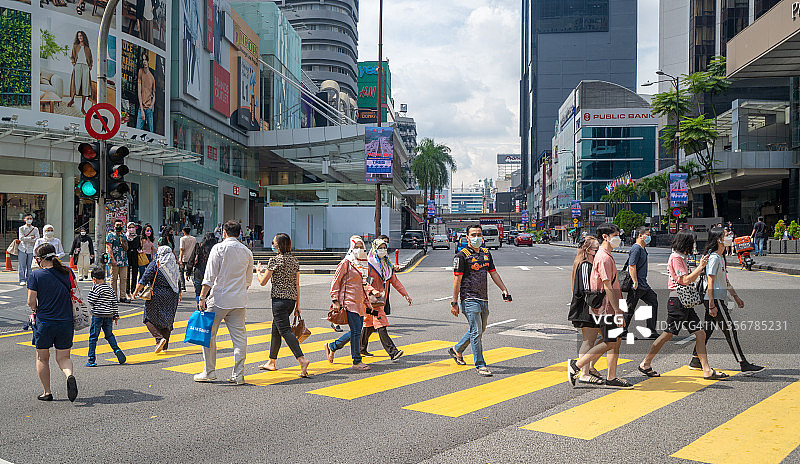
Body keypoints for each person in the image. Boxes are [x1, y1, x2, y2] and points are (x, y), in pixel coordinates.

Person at [636, 230, 729, 380]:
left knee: (700, 333)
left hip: (684, 302)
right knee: (668, 334)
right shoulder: (676, 258)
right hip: (678, 301)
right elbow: (685, 280)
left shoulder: (681, 257)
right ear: (685, 242)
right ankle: (645, 363)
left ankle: (707, 370)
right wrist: (700, 267)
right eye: (692, 241)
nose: (694, 244)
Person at [687, 229, 764, 374]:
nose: (729, 237)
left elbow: (725, 280)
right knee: (730, 330)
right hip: (714, 298)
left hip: (715, 298)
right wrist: (711, 304)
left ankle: (695, 359)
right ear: (719, 240)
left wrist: (735, 296)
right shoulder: (714, 258)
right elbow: (710, 281)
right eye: (725, 235)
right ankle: (743, 363)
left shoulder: (720, 257)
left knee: (707, 331)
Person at [568, 223, 632, 389]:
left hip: (611, 306)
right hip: (605, 308)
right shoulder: (603, 258)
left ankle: (611, 376)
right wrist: (618, 311)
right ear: (606, 236)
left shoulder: (606, 255)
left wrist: (620, 308)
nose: (619, 238)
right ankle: (578, 365)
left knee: (614, 340)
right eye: (616, 235)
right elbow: (607, 286)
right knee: (610, 341)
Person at [448, 224, 511, 377]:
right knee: (476, 332)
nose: (477, 237)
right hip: (469, 299)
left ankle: (457, 349)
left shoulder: (486, 253)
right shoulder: (461, 256)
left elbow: (493, 273)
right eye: (473, 235)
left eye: (479, 234)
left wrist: (504, 289)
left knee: (479, 330)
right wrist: (454, 302)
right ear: (467, 237)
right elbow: (457, 280)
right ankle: (480, 365)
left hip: (484, 299)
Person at [195, 221, 253, 384]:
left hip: (219, 299)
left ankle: (209, 371)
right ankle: (238, 374)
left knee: (208, 335)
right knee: (240, 338)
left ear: (224, 232)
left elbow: (209, 277)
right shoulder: (247, 252)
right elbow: (248, 280)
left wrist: (202, 297)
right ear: (240, 233)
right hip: (239, 300)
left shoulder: (218, 248)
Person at [27, 243, 78, 402]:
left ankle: (47, 392)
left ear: (40, 259)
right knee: (63, 357)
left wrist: (35, 309)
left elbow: (31, 301)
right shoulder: (67, 272)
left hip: (45, 322)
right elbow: (74, 291)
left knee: (42, 358)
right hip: (66, 321)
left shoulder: (36, 275)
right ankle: (69, 376)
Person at [254, 233, 310, 377]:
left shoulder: (274, 260)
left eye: (274, 242)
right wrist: (298, 305)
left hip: (278, 300)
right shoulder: (294, 261)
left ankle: (302, 359)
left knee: (285, 331)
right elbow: (297, 284)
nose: (272, 245)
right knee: (276, 329)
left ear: (278, 245)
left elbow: (262, 282)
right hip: (291, 301)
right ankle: (271, 362)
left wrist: (258, 272)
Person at [359, 238, 412, 360]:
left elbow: (395, 281)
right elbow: (363, 282)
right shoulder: (369, 264)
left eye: (384, 247)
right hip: (370, 301)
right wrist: (373, 290)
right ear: (374, 248)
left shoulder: (387, 264)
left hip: (380, 300)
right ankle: (392, 352)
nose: (383, 250)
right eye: (380, 248)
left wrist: (405, 295)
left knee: (369, 325)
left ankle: (355, 348)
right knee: (380, 322)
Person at [326, 236, 373, 370]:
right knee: (357, 331)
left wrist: (367, 302)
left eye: (360, 246)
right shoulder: (346, 263)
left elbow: (363, 285)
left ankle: (333, 346)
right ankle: (356, 361)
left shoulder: (363, 264)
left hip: (359, 303)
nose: (359, 249)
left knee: (356, 330)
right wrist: (335, 300)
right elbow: (336, 281)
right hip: (348, 302)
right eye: (356, 246)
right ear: (351, 248)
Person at [567, 236, 604, 385]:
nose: (598, 251)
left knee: (609, 338)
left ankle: (587, 366)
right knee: (589, 341)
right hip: (586, 307)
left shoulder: (590, 264)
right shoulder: (584, 266)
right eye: (596, 249)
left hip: (593, 307)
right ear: (588, 250)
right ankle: (583, 371)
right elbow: (586, 290)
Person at [133, 246, 181, 352]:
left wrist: (136, 291)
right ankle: (164, 346)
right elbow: (178, 281)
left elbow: (144, 279)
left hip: (157, 294)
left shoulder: (156, 264)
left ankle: (159, 339)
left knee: (148, 318)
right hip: (172, 295)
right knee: (167, 319)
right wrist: (180, 293)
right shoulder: (174, 265)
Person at [85, 267, 126, 367]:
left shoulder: (96, 288)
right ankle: (117, 350)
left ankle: (91, 360)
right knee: (109, 335)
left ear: (94, 279)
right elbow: (114, 303)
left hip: (97, 316)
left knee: (93, 337)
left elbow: (91, 301)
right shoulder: (110, 289)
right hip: (108, 315)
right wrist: (116, 315)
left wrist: (92, 289)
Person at [625, 226, 659, 339]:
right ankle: (622, 331)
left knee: (653, 300)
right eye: (647, 235)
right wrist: (635, 281)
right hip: (637, 284)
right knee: (629, 307)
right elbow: (632, 265)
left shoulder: (642, 248)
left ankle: (651, 331)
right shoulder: (636, 248)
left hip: (643, 284)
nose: (649, 237)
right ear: (640, 236)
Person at [67, 31, 93, 115]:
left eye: (81, 36)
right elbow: (72, 57)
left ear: (83, 37)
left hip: (86, 67)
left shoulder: (88, 49)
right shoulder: (75, 46)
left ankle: (82, 107)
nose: (79, 37)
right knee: (75, 84)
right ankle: (72, 100)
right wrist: (74, 64)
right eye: (78, 36)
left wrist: (90, 67)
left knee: (85, 87)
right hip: (77, 66)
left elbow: (91, 59)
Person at [106, 219, 130, 302]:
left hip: (124, 260)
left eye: (120, 225)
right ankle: (114, 296)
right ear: (114, 226)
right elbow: (109, 247)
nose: (119, 226)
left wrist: (123, 242)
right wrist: (112, 259)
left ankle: (123, 297)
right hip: (114, 260)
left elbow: (126, 248)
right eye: (117, 225)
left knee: (124, 278)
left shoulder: (124, 236)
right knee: (114, 279)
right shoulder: (110, 235)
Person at [191, 232, 216, 304]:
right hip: (211, 274)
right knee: (210, 294)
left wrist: (188, 272)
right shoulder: (215, 248)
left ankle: (200, 307)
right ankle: (207, 309)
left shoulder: (199, 246)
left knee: (198, 293)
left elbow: (192, 259)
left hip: (199, 272)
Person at [18, 214, 40, 286]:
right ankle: (22, 279)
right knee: (22, 265)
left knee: (30, 266)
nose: (29, 220)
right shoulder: (21, 228)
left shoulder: (35, 229)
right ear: (24, 219)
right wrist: (31, 238)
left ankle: (29, 279)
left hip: (32, 249)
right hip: (22, 249)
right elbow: (21, 238)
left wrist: (27, 239)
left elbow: (37, 239)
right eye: (28, 218)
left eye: (31, 218)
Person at [136, 51, 156, 132]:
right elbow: (139, 91)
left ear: (148, 61)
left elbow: (154, 95)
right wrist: (141, 108)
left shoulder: (152, 77)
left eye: (145, 60)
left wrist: (151, 106)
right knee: (137, 131)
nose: (144, 62)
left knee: (151, 132)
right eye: (143, 60)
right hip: (142, 107)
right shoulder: (140, 71)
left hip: (149, 109)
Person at [125, 222, 142, 301]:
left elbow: (139, 246)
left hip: (135, 255)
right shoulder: (125, 236)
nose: (131, 229)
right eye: (130, 227)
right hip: (127, 255)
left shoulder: (137, 237)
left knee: (135, 274)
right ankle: (127, 291)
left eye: (133, 227)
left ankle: (133, 291)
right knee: (127, 274)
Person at [179, 227, 196, 292]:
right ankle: (195, 285)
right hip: (191, 258)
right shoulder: (194, 239)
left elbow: (181, 250)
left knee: (181, 272)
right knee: (191, 272)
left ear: (184, 231)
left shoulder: (182, 239)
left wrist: (180, 259)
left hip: (184, 258)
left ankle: (183, 286)